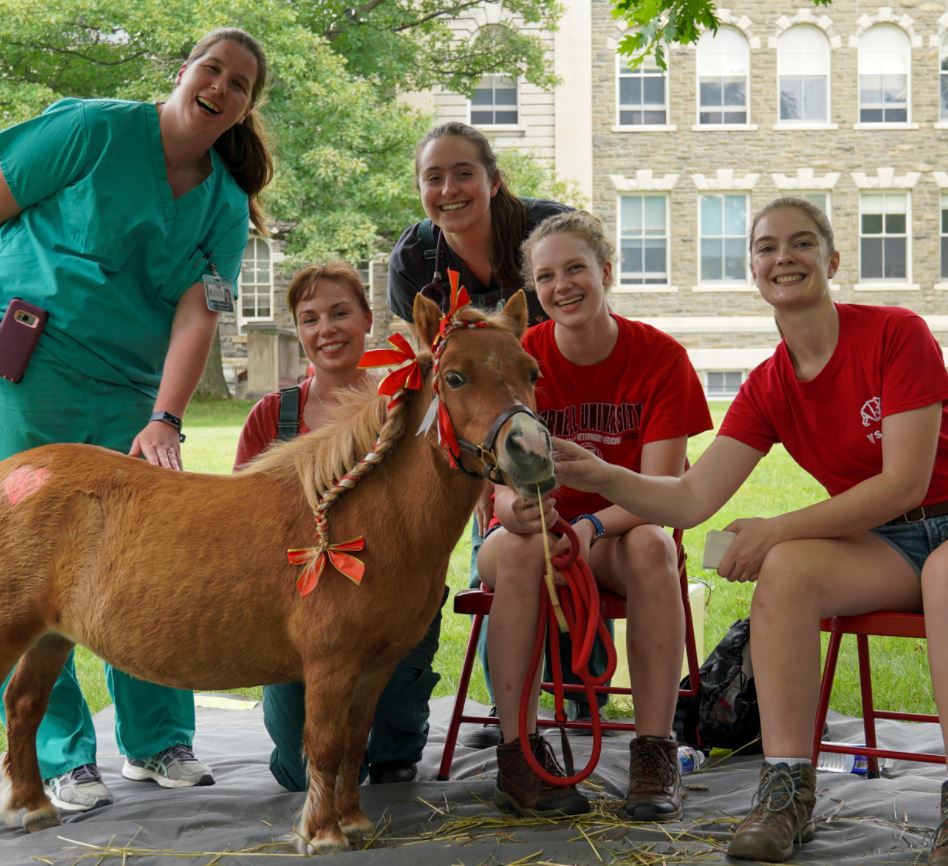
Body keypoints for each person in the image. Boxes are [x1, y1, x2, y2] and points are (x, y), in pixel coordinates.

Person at [553, 197, 948, 863]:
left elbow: (905, 483)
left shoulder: (894, 333)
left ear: (832, 259)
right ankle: (786, 789)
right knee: (788, 569)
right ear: (752, 268)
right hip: (887, 544)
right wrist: (603, 474)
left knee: (942, 575)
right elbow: (691, 496)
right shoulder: (768, 384)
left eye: (800, 243)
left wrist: (777, 527)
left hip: (940, 525)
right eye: (766, 247)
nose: (783, 257)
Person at [0, 27, 273, 812]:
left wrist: (165, 419)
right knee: (33, 564)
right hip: (30, 374)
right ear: (182, 72)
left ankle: (157, 742)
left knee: (146, 559)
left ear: (245, 108)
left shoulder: (223, 203)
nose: (220, 86)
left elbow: (198, 316)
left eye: (240, 83)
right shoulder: (89, 128)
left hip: (131, 392)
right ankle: (56, 755)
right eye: (211, 69)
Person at [477, 210, 712, 818]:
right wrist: (520, 514)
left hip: (612, 534)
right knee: (523, 548)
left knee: (656, 546)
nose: (563, 286)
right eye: (547, 275)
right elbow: (493, 488)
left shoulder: (660, 357)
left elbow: (663, 487)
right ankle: (519, 757)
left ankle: (654, 753)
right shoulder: (518, 356)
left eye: (576, 268)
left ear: (606, 271)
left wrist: (589, 526)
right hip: (526, 534)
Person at [388, 121, 612, 745]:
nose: (449, 189)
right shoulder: (414, 260)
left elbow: (586, 309)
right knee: (503, 538)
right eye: (433, 178)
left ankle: (582, 691)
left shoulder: (546, 229)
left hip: (554, 388)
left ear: (493, 180)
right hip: (474, 414)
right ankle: (509, 701)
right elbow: (429, 363)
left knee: (570, 515)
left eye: (464, 173)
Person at [234, 262, 443, 788]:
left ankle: (398, 734)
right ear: (298, 331)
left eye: (340, 313)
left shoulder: (408, 403)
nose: (326, 329)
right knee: (300, 773)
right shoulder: (274, 416)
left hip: (389, 600)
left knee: (391, 759)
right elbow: (242, 520)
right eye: (310, 318)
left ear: (367, 319)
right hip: (298, 609)